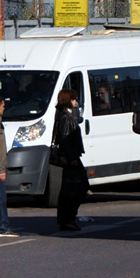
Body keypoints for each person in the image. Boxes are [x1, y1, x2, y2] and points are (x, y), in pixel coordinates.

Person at [50, 89, 88, 231]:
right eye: (74, 99)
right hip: (71, 158)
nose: (76, 102)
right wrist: (72, 158)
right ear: (68, 100)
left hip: (72, 157)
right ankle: (67, 218)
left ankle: (67, 218)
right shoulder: (65, 117)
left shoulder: (63, 115)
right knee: (77, 187)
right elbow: (66, 139)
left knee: (72, 188)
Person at [0, 95, 17, 236]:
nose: (4, 108)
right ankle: (2, 226)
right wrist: (0, 169)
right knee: (0, 198)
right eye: (2, 106)